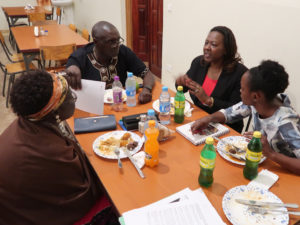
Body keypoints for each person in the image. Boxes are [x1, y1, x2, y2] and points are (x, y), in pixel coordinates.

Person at [0, 70, 118, 225]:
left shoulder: (27, 122)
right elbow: (82, 195)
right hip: (28, 216)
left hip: (16, 207)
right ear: (55, 110)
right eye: (70, 96)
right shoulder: (49, 151)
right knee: (116, 195)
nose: (74, 99)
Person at [191, 60, 300, 175]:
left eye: (242, 89)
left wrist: (271, 154)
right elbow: (228, 113)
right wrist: (208, 119)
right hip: (260, 165)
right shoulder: (258, 103)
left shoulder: (285, 122)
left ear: (255, 96)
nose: (240, 91)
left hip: (285, 174)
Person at [176, 26, 248, 132]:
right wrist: (180, 83)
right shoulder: (198, 63)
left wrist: (208, 100)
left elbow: (237, 108)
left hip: (226, 128)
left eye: (213, 44)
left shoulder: (239, 73)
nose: (207, 47)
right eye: (206, 43)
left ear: (226, 50)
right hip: (198, 119)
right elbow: (183, 88)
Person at [66, 20, 155, 104]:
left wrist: (147, 89)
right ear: (96, 41)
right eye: (111, 42)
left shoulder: (123, 51)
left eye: (118, 40)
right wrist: (72, 68)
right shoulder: (81, 55)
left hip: (120, 104)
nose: (116, 45)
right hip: (93, 107)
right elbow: (72, 66)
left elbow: (147, 73)